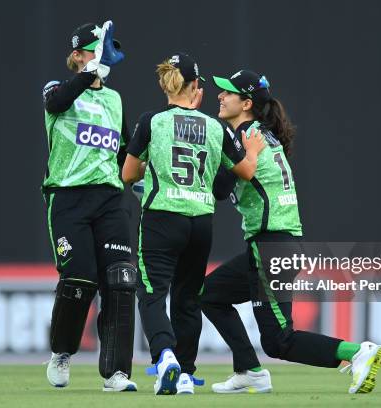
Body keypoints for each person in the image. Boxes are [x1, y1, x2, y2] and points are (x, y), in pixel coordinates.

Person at [201, 70, 381, 394]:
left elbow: (218, 188)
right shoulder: (259, 134)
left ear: (246, 103)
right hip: (276, 244)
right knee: (209, 294)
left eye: (228, 92)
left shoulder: (244, 139)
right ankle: (248, 370)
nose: (220, 96)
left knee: (278, 340)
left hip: (272, 246)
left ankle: (356, 352)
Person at [122, 53, 266, 395]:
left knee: (152, 293)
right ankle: (185, 372)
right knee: (187, 298)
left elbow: (128, 174)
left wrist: (151, 168)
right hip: (201, 223)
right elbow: (245, 171)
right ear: (196, 87)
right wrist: (253, 153)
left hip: (161, 218)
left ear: (166, 84)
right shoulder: (214, 126)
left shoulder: (152, 121)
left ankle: (165, 357)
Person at [41, 20, 137, 392]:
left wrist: (140, 175)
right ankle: (62, 352)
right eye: (96, 49)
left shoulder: (114, 99)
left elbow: (126, 148)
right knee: (81, 277)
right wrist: (89, 72)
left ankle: (116, 372)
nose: (104, 55)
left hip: (110, 198)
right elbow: (56, 102)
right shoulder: (58, 90)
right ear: (79, 55)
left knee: (120, 280)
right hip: (68, 197)